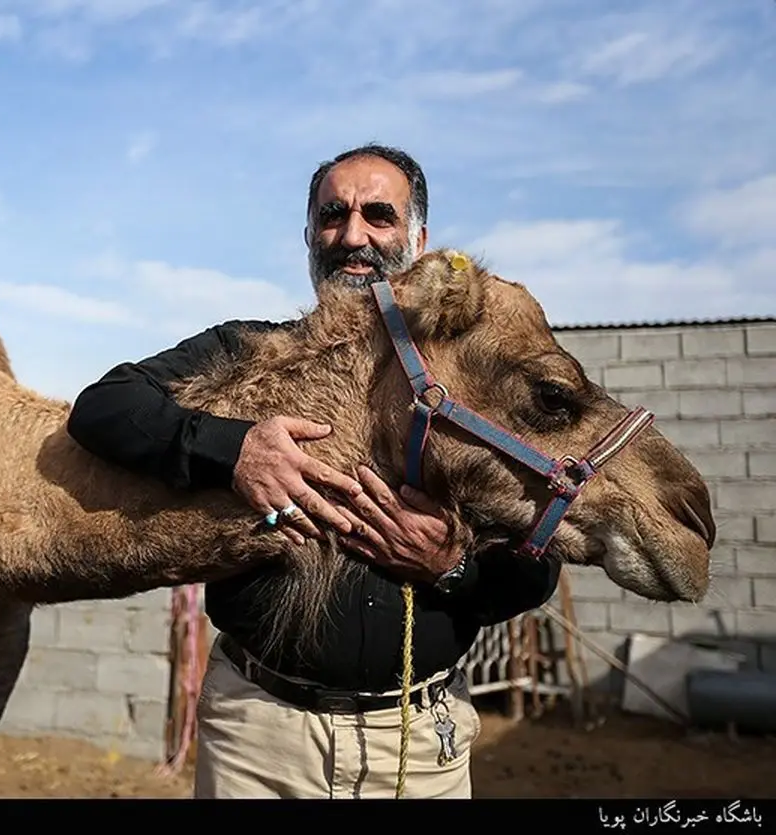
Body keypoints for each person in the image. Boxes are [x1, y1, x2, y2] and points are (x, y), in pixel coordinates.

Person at [65, 142, 561, 799]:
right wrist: (231, 447)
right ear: (309, 234)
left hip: (417, 745)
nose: (352, 235)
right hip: (257, 735)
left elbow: (539, 568)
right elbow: (104, 406)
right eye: (332, 215)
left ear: (419, 237)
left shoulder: (475, 384)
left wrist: (452, 563)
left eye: (378, 215)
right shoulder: (252, 352)